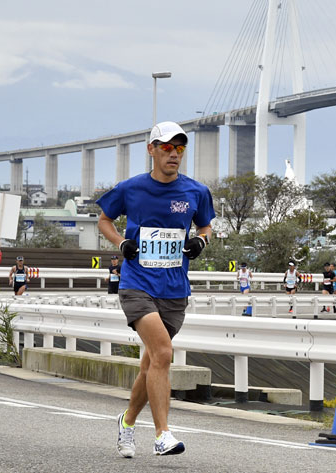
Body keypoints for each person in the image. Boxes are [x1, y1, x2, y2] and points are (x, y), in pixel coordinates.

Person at [96, 120, 215, 458]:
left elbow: (206, 226)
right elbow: (104, 219)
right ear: (151, 150)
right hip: (137, 284)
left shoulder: (196, 191)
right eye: (166, 147)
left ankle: (127, 421)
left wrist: (200, 242)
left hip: (175, 287)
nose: (173, 154)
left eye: (179, 148)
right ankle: (162, 434)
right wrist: (121, 244)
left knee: (151, 366)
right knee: (163, 354)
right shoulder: (131, 188)